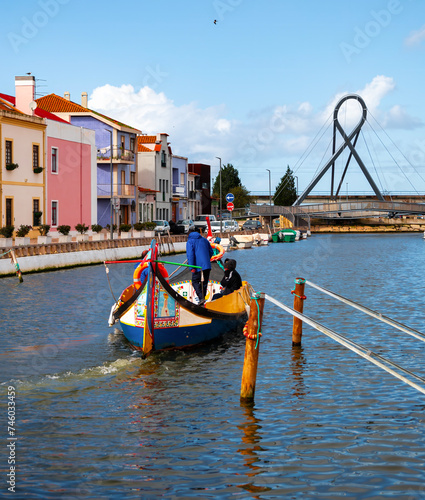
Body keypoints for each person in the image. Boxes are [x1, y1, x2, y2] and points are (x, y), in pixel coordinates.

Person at [186, 228, 213, 304]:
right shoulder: (205, 240)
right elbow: (211, 251)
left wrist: (191, 267)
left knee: (195, 281)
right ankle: (203, 299)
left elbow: (190, 255)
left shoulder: (190, 241)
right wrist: (206, 260)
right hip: (207, 265)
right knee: (204, 283)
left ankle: (201, 298)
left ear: (188, 235)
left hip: (197, 266)